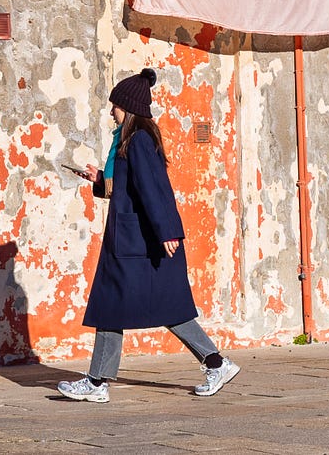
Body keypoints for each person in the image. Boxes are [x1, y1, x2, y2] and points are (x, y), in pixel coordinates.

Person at [57, 68, 239, 403]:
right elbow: (126, 188)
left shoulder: (138, 140)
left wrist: (167, 231)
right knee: (118, 306)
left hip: (142, 244)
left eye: (114, 106)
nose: (110, 111)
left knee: (153, 307)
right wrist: (99, 178)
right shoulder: (129, 140)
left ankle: (216, 363)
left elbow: (154, 189)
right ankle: (99, 383)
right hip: (130, 242)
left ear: (126, 107)